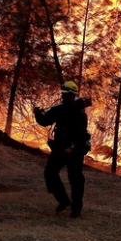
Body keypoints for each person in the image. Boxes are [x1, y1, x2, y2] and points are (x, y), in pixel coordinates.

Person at [33, 81, 91, 218]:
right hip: (60, 148)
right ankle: (64, 200)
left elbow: (81, 135)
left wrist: (72, 148)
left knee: (75, 178)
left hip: (75, 150)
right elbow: (44, 121)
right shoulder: (59, 109)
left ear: (73, 95)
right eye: (63, 94)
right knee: (50, 173)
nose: (63, 97)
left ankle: (76, 209)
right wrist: (37, 113)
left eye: (66, 94)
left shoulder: (79, 113)